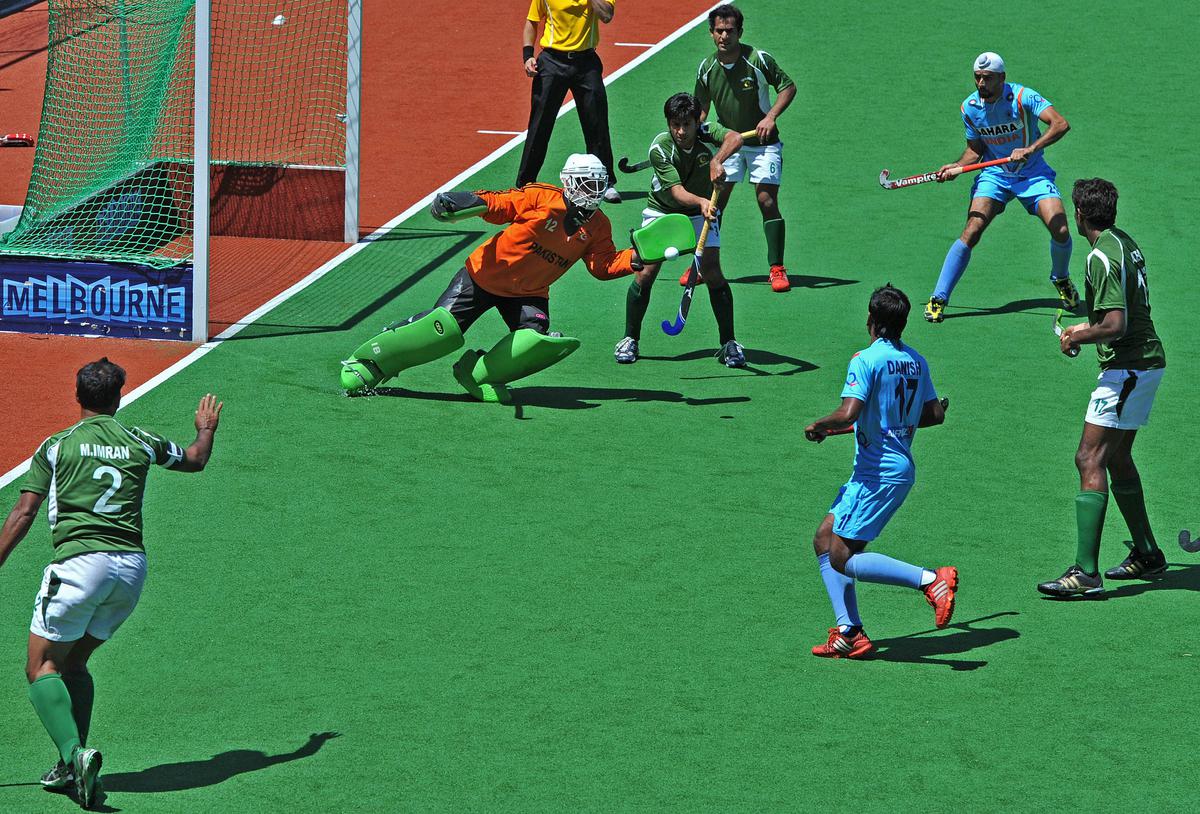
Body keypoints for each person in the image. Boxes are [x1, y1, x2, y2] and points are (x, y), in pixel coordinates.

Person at [0, 359, 221, 808]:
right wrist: (205, 428)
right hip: (130, 571)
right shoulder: (140, 439)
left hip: (79, 565)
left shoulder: (58, 446)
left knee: (40, 666)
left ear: (77, 395)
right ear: (118, 397)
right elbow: (196, 460)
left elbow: (23, 514)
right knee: (76, 663)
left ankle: (73, 753)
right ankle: (70, 769)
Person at [340, 154, 642, 403]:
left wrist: (634, 259)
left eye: (599, 185)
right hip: (483, 276)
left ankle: (477, 374)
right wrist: (466, 202)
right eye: (588, 184)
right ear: (568, 182)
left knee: (533, 341)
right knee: (441, 333)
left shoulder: (599, 226)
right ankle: (372, 361)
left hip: (529, 291)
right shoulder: (542, 197)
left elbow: (602, 266)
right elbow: (501, 203)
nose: (594, 192)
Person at [803, 285, 956, 659]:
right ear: (902, 324)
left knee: (843, 556)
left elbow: (850, 412)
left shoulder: (865, 359)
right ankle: (850, 631)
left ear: (871, 321)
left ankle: (930, 580)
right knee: (824, 538)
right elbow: (934, 414)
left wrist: (822, 424)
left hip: (879, 474)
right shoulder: (916, 361)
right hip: (879, 470)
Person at [1037, 178, 1167, 597]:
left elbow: (1115, 325)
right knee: (1117, 456)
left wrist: (1077, 337)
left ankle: (1085, 572)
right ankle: (1147, 552)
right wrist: (1081, 328)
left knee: (1088, 456)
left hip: (1128, 369)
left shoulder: (1098, 257)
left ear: (1079, 214)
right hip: (1141, 363)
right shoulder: (1122, 241)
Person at [925, 52, 1077, 323]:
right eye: (977, 77)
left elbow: (1060, 124)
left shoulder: (1022, 97)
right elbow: (975, 150)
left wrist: (1031, 148)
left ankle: (1061, 278)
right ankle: (939, 297)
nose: (981, 83)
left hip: (1032, 173)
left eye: (988, 78)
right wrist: (955, 167)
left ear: (1002, 78)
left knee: (1061, 229)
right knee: (972, 230)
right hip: (995, 174)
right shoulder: (969, 108)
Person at [614, 93, 747, 368]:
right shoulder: (660, 149)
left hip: (700, 212)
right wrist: (702, 201)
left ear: (697, 121)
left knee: (712, 271)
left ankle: (729, 343)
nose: (681, 131)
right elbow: (676, 192)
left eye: (687, 124)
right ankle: (629, 338)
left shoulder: (706, 132)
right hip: (662, 211)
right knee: (646, 272)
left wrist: (717, 159)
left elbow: (735, 138)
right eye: (675, 124)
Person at [692, 4, 796, 292]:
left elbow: (787, 87)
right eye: (719, 31)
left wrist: (770, 116)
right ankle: (703, 265)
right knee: (715, 203)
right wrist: (692, 131)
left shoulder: (758, 60)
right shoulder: (707, 68)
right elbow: (701, 109)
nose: (724, 36)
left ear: (739, 32)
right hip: (730, 144)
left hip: (763, 144)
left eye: (729, 31)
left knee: (766, 200)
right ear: (711, 33)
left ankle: (777, 268)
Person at [517, 0, 620, 203]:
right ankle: (525, 184)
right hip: (552, 62)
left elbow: (607, 15)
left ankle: (605, 182)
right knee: (540, 125)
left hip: (586, 62)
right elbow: (532, 21)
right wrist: (527, 55)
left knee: (597, 123)